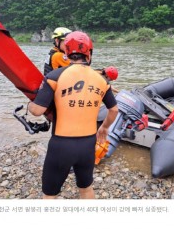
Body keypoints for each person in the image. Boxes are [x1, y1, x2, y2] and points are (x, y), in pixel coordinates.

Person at [29, 31, 118, 199]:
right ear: (89, 54)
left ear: (67, 53)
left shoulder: (55, 76)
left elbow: (37, 111)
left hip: (61, 145)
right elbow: (114, 110)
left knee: (49, 194)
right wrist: (104, 128)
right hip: (88, 144)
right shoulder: (102, 81)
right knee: (86, 188)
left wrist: (30, 105)